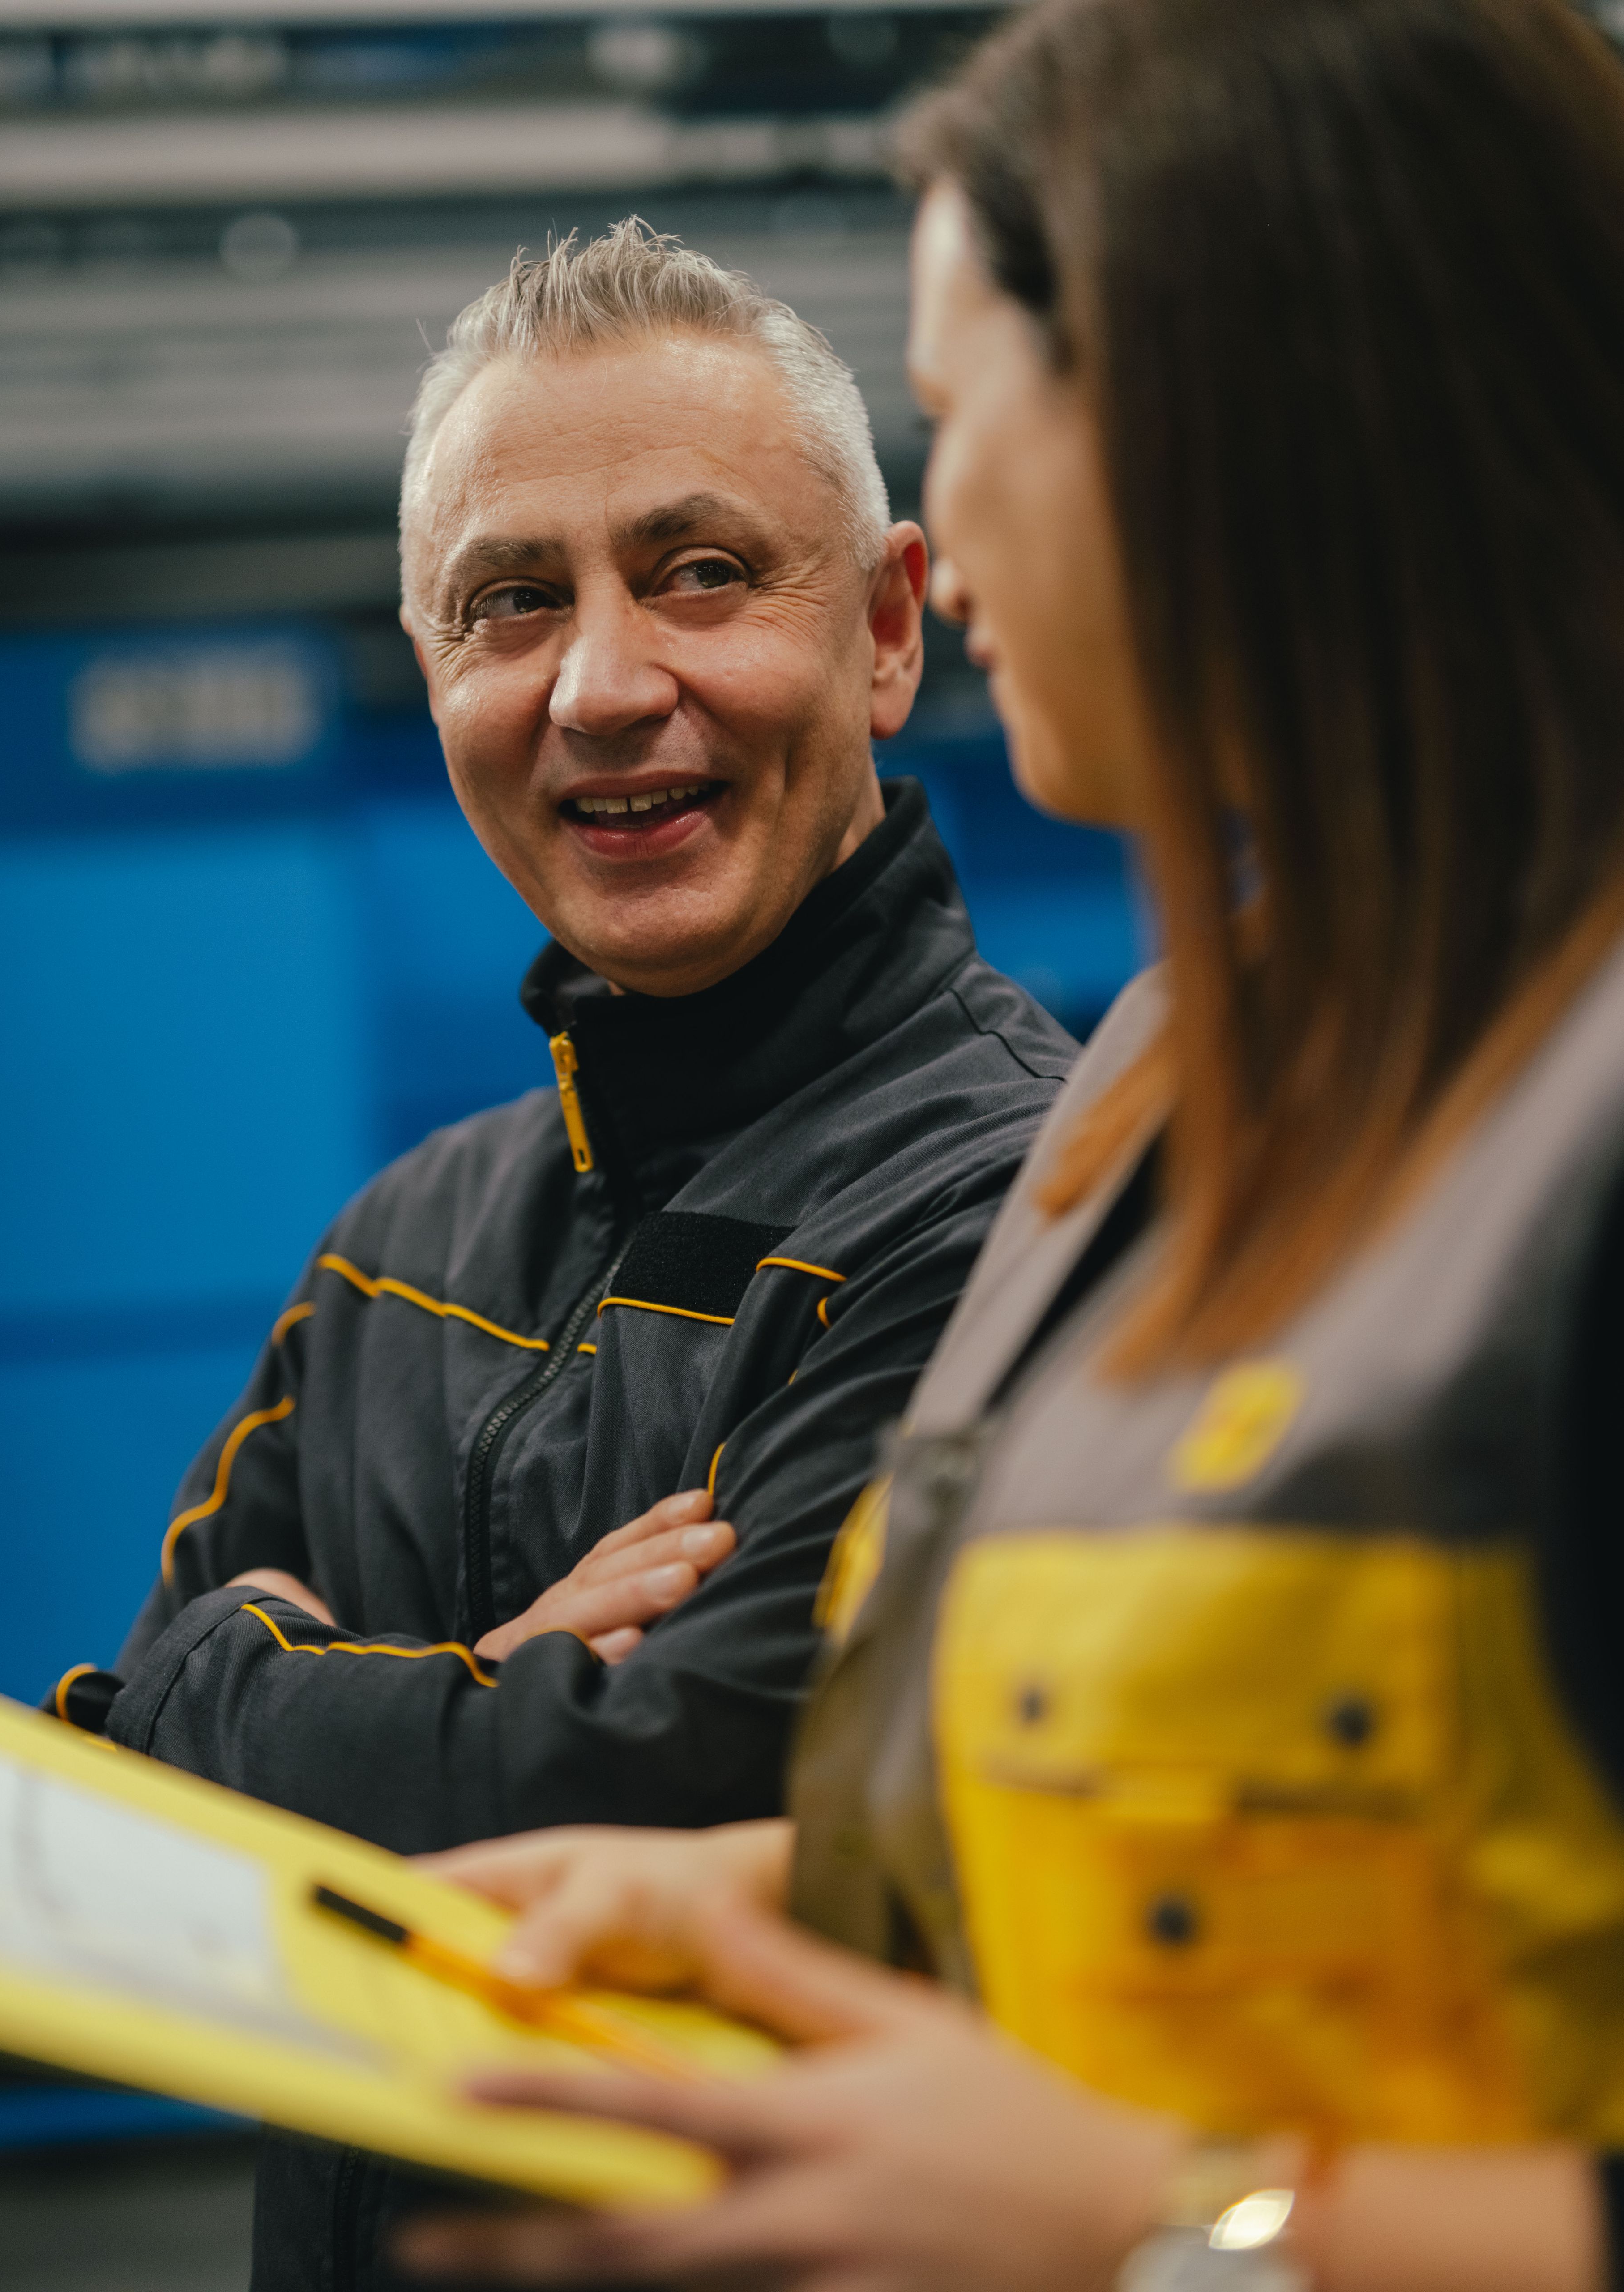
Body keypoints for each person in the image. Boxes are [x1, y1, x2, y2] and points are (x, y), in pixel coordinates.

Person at [393, 3, 1624, 2288]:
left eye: (969, 421)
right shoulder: (1169, 1076)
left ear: (1234, 418)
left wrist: (1163, 2224)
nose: (936, 561)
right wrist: (750, 1884)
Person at [45, 222, 1074, 2289]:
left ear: (884, 634)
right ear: (437, 677)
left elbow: (708, 1786)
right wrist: (489, 1698)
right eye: (513, 605)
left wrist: (239, 1689)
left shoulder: (1011, 1208)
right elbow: (95, 1824)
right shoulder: (405, 1240)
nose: (604, 686)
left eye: (698, 571)